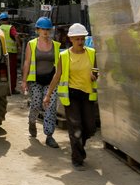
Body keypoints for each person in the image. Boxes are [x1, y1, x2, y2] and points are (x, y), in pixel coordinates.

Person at [43, 23, 98, 170]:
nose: (80, 42)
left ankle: (79, 146)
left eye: (82, 39)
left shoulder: (92, 53)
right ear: (71, 39)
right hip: (71, 96)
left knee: (90, 127)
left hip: (87, 95)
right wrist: (48, 95)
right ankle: (77, 159)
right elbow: (57, 75)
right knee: (76, 128)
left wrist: (95, 76)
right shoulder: (64, 56)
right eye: (77, 39)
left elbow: (97, 71)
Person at [21, 17, 61, 148]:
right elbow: (27, 62)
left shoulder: (56, 45)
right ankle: (32, 122)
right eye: (42, 29)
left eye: (47, 29)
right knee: (36, 104)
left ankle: (49, 136)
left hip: (51, 81)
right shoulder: (31, 44)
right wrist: (24, 81)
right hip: (36, 81)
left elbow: (59, 65)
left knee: (50, 105)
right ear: (37, 30)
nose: (45, 31)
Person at [0, 12, 19, 93]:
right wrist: (19, 45)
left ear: (0, 20)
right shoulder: (11, 28)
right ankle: (12, 89)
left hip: (2, 52)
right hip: (11, 53)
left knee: (3, 71)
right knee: (12, 71)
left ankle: (3, 88)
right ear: (7, 19)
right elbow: (16, 36)